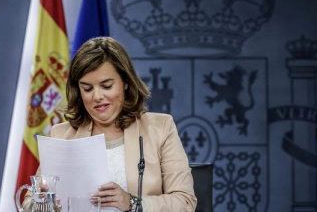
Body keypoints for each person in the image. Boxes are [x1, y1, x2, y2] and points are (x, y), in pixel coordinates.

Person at [24, 37, 197, 211]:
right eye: (87, 88)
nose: (97, 96)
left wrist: (131, 202)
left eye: (106, 86)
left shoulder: (160, 128)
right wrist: (42, 203)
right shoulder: (61, 135)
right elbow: (29, 203)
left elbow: (185, 202)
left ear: (126, 83)